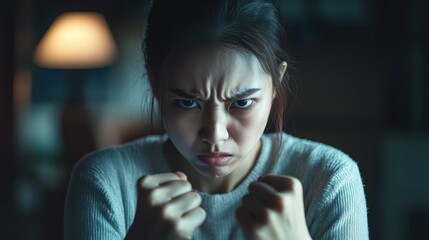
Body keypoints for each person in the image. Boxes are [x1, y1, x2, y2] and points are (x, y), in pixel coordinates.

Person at [64, 0, 369, 239]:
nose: (215, 134)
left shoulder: (329, 180)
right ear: (154, 82)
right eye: (187, 102)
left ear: (277, 83)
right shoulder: (105, 181)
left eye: (242, 102)